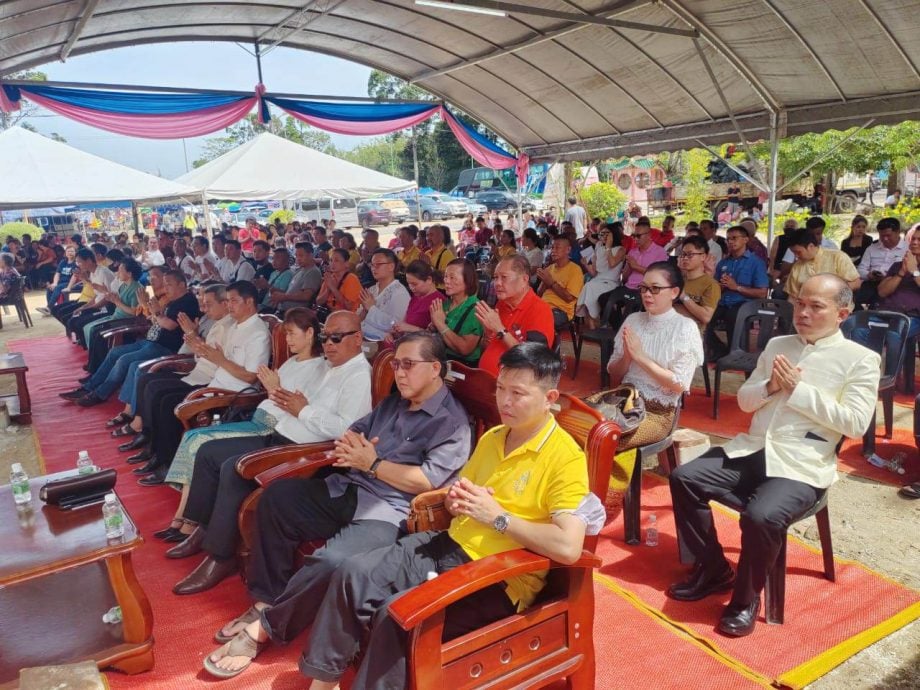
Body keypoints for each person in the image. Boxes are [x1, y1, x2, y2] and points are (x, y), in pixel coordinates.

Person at [280, 343, 591, 689]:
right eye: (501, 389)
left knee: (396, 616)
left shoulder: (566, 458)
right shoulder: (494, 437)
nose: (504, 401)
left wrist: (499, 518)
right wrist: (455, 501)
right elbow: (463, 492)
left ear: (549, 397)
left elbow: (568, 547)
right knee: (352, 573)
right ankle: (322, 681)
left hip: (498, 574)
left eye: (518, 393)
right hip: (451, 543)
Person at [192, 333, 469, 676]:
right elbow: (355, 431)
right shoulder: (394, 403)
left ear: (435, 369)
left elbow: (428, 481)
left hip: (389, 510)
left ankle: (266, 627)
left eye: (408, 365)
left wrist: (373, 463)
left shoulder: (451, 422)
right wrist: (358, 452)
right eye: (396, 364)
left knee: (335, 560)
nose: (399, 372)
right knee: (277, 498)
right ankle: (268, 596)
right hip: (347, 487)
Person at [667, 275, 880, 637]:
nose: (803, 312)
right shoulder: (778, 344)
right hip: (754, 448)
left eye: (816, 306)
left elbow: (856, 423)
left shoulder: (860, 360)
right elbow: (747, 400)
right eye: (800, 303)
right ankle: (713, 567)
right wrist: (770, 386)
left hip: (802, 463)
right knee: (684, 477)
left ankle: (746, 599)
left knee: (761, 515)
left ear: (842, 313)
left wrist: (798, 390)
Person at [154, 309, 327, 541]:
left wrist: (274, 388)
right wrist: (272, 388)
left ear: (310, 333)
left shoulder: (319, 368)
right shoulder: (291, 362)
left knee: (200, 441)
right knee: (193, 437)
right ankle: (184, 516)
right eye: (285, 334)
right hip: (259, 416)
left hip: (271, 426)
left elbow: (297, 407)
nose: (288, 340)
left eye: (292, 334)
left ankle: (188, 521)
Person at [127, 281, 272, 485]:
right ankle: (156, 452)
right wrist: (203, 348)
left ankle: (166, 463)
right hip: (214, 383)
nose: (229, 305)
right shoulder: (237, 326)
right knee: (160, 394)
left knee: (167, 401)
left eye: (233, 301)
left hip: (232, 394)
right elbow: (215, 358)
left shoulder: (257, 332)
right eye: (228, 300)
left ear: (249, 302)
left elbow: (250, 377)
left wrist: (218, 359)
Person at [59, 270, 201, 406]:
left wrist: (157, 312)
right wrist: (151, 310)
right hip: (151, 340)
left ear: (182, 284)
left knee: (125, 360)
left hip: (165, 347)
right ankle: (90, 387)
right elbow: (154, 319)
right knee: (115, 352)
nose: (165, 288)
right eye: (165, 284)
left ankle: (99, 394)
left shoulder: (187, 302)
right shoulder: (172, 301)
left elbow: (169, 325)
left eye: (169, 284)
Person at [607, 261, 703, 453]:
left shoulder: (685, 327)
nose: (647, 294)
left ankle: (604, 482)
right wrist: (627, 356)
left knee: (606, 439)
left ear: (674, 292)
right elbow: (612, 370)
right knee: (579, 424)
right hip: (624, 401)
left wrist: (641, 357)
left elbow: (679, 384)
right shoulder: (633, 320)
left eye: (655, 289)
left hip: (657, 412)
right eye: (644, 288)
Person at [847, 230, 920, 363]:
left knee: (894, 334)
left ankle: (891, 378)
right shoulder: (898, 265)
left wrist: (914, 271)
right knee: (857, 329)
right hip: (886, 313)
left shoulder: (913, 269)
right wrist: (902, 273)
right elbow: (882, 292)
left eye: (919, 240)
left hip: (912, 317)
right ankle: (867, 371)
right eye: (913, 239)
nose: (914, 242)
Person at [475, 255, 555, 376]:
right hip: (486, 379)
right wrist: (488, 335)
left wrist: (500, 330)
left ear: (524, 279)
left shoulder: (540, 309)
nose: (497, 283)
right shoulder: (502, 303)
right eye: (495, 277)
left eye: (504, 277)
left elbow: (533, 360)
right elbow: (487, 348)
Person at [705, 225, 770, 360]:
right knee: (703, 316)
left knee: (733, 316)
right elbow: (715, 286)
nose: (730, 242)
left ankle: (734, 353)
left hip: (744, 303)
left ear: (745, 239)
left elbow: (763, 293)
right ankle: (718, 349)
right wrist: (720, 286)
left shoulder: (756, 262)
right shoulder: (724, 262)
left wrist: (737, 287)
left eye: (734, 238)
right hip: (723, 301)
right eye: (728, 239)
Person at [428, 258, 483, 365]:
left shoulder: (476, 309)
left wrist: (440, 324)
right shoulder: (446, 304)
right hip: (441, 360)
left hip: (462, 368)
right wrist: (433, 327)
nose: (447, 281)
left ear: (468, 280)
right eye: (446, 276)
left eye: (452, 277)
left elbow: (465, 349)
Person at [576, 222, 626, 330]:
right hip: (598, 281)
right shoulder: (599, 249)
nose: (602, 237)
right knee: (589, 286)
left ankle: (587, 319)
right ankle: (591, 324)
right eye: (601, 234)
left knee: (589, 287)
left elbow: (612, 264)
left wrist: (608, 247)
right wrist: (585, 264)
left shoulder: (620, 249)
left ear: (612, 235)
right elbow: (594, 273)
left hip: (611, 283)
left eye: (605, 234)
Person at [785, 230, 861, 299]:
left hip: (835, 306)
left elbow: (856, 283)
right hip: (806, 308)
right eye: (794, 253)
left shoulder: (837, 257)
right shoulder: (797, 266)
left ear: (810, 246)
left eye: (798, 252)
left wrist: (834, 292)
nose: (796, 256)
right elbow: (793, 296)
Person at [359, 248, 411, 340]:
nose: (374, 268)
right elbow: (359, 318)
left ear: (391, 266)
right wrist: (364, 312)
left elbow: (396, 326)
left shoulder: (400, 293)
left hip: (380, 342)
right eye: (372, 265)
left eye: (378, 264)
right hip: (361, 336)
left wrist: (371, 308)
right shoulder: (371, 290)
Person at [536, 235, 584, 330]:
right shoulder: (550, 268)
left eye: (557, 247)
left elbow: (569, 298)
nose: (553, 251)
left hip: (561, 311)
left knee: (539, 320)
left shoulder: (575, 270)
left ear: (568, 250)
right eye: (552, 247)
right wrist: (544, 280)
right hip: (543, 306)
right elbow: (539, 293)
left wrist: (551, 283)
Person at [856, 217, 906, 307]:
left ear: (898, 232)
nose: (885, 239)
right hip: (871, 284)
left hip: (894, 286)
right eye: (882, 236)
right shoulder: (872, 248)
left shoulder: (907, 250)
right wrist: (869, 275)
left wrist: (887, 278)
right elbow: (861, 269)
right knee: (858, 304)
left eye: (888, 235)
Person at [675, 235, 721, 334]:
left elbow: (706, 317)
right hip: (670, 327)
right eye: (683, 254)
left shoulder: (711, 284)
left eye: (690, 255)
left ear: (703, 257)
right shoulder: (676, 279)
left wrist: (683, 296)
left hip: (692, 334)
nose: (685, 258)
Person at [390, 260, 445, 336]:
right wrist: (397, 331)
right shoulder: (416, 297)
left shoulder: (438, 301)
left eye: (414, 284)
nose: (411, 288)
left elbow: (438, 337)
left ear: (429, 280)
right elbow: (404, 324)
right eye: (409, 284)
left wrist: (411, 328)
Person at [622, 217, 669, 295]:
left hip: (646, 291)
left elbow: (658, 275)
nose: (635, 239)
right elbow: (625, 277)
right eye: (634, 236)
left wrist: (635, 266)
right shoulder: (633, 251)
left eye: (638, 236)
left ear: (649, 235)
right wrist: (628, 266)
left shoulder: (659, 251)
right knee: (604, 299)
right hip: (629, 287)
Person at [315, 248, 361, 315]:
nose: (332, 263)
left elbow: (348, 307)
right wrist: (328, 289)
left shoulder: (351, 278)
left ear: (346, 264)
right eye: (331, 260)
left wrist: (333, 288)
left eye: (336, 260)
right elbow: (318, 302)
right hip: (328, 313)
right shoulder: (330, 277)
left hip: (346, 317)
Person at [38, 245, 77, 315]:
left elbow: (75, 276)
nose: (70, 253)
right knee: (50, 288)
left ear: (75, 253)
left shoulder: (76, 263)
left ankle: (49, 307)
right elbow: (57, 273)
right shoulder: (63, 262)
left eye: (72, 251)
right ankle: (51, 310)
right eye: (68, 251)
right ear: (65, 253)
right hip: (61, 282)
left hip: (70, 282)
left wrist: (69, 287)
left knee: (58, 287)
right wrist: (54, 283)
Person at [255, 247, 294, 312]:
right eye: (273, 258)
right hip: (263, 304)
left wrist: (267, 286)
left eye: (277, 258)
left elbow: (282, 294)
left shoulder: (288, 274)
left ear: (286, 260)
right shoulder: (274, 273)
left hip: (272, 308)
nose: (274, 261)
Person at [425, 224, 456, 288]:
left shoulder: (446, 254)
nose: (428, 238)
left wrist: (429, 266)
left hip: (441, 292)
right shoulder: (426, 253)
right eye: (427, 235)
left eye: (431, 235)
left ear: (440, 237)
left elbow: (445, 279)